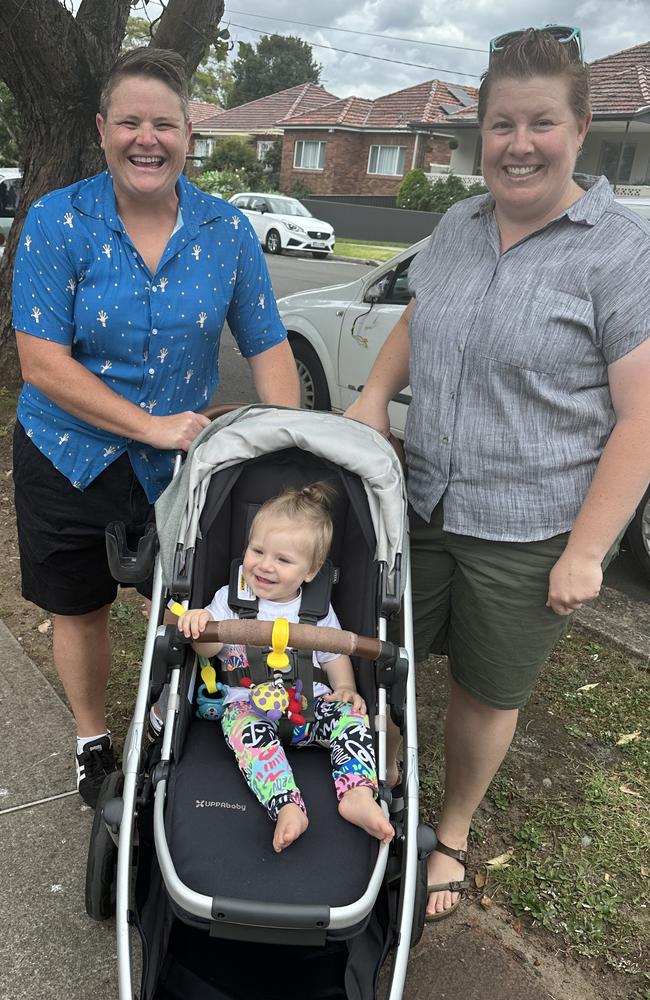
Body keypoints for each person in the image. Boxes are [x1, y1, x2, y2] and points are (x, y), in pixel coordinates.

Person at [345, 25, 650, 920]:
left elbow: (641, 416)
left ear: (580, 129)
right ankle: (379, 798)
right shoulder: (457, 223)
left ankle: (451, 835)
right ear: (481, 133)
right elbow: (418, 318)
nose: (520, 145)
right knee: (380, 661)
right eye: (502, 125)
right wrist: (373, 396)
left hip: (528, 529)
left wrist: (588, 551)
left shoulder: (620, 252)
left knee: (484, 691)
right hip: (420, 499)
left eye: (541, 123)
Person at [11, 48, 300, 808]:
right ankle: (91, 741)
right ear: (103, 129)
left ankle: (182, 729)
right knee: (80, 608)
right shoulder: (57, 220)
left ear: (188, 133)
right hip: (64, 452)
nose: (148, 138)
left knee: (193, 610)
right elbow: (40, 362)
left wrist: (288, 455)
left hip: (181, 471)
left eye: (164, 123)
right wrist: (151, 425)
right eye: (130, 121)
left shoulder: (226, 230)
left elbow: (268, 346)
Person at [177, 483, 394, 853]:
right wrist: (201, 624)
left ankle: (357, 793)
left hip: (309, 705)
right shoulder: (231, 599)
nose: (264, 565)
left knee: (352, 719)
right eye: (257, 550)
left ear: (311, 571)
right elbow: (209, 647)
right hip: (252, 706)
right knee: (247, 735)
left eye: (283, 560)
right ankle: (286, 804)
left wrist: (345, 688)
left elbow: (335, 653)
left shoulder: (317, 610)